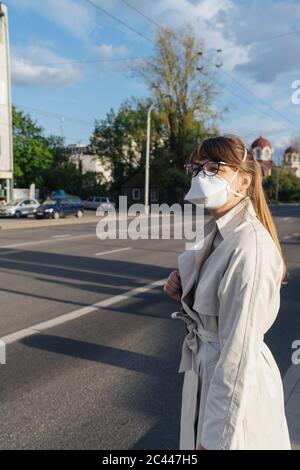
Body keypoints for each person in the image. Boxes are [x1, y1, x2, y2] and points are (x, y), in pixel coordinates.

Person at [164, 135, 291, 450]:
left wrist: (216, 438)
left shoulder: (250, 247)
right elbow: (213, 303)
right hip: (207, 372)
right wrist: (181, 288)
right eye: (196, 168)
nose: (200, 176)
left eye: (213, 167)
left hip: (236, 392)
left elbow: (238, 353)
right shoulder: (217, 233)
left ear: (244, 180)